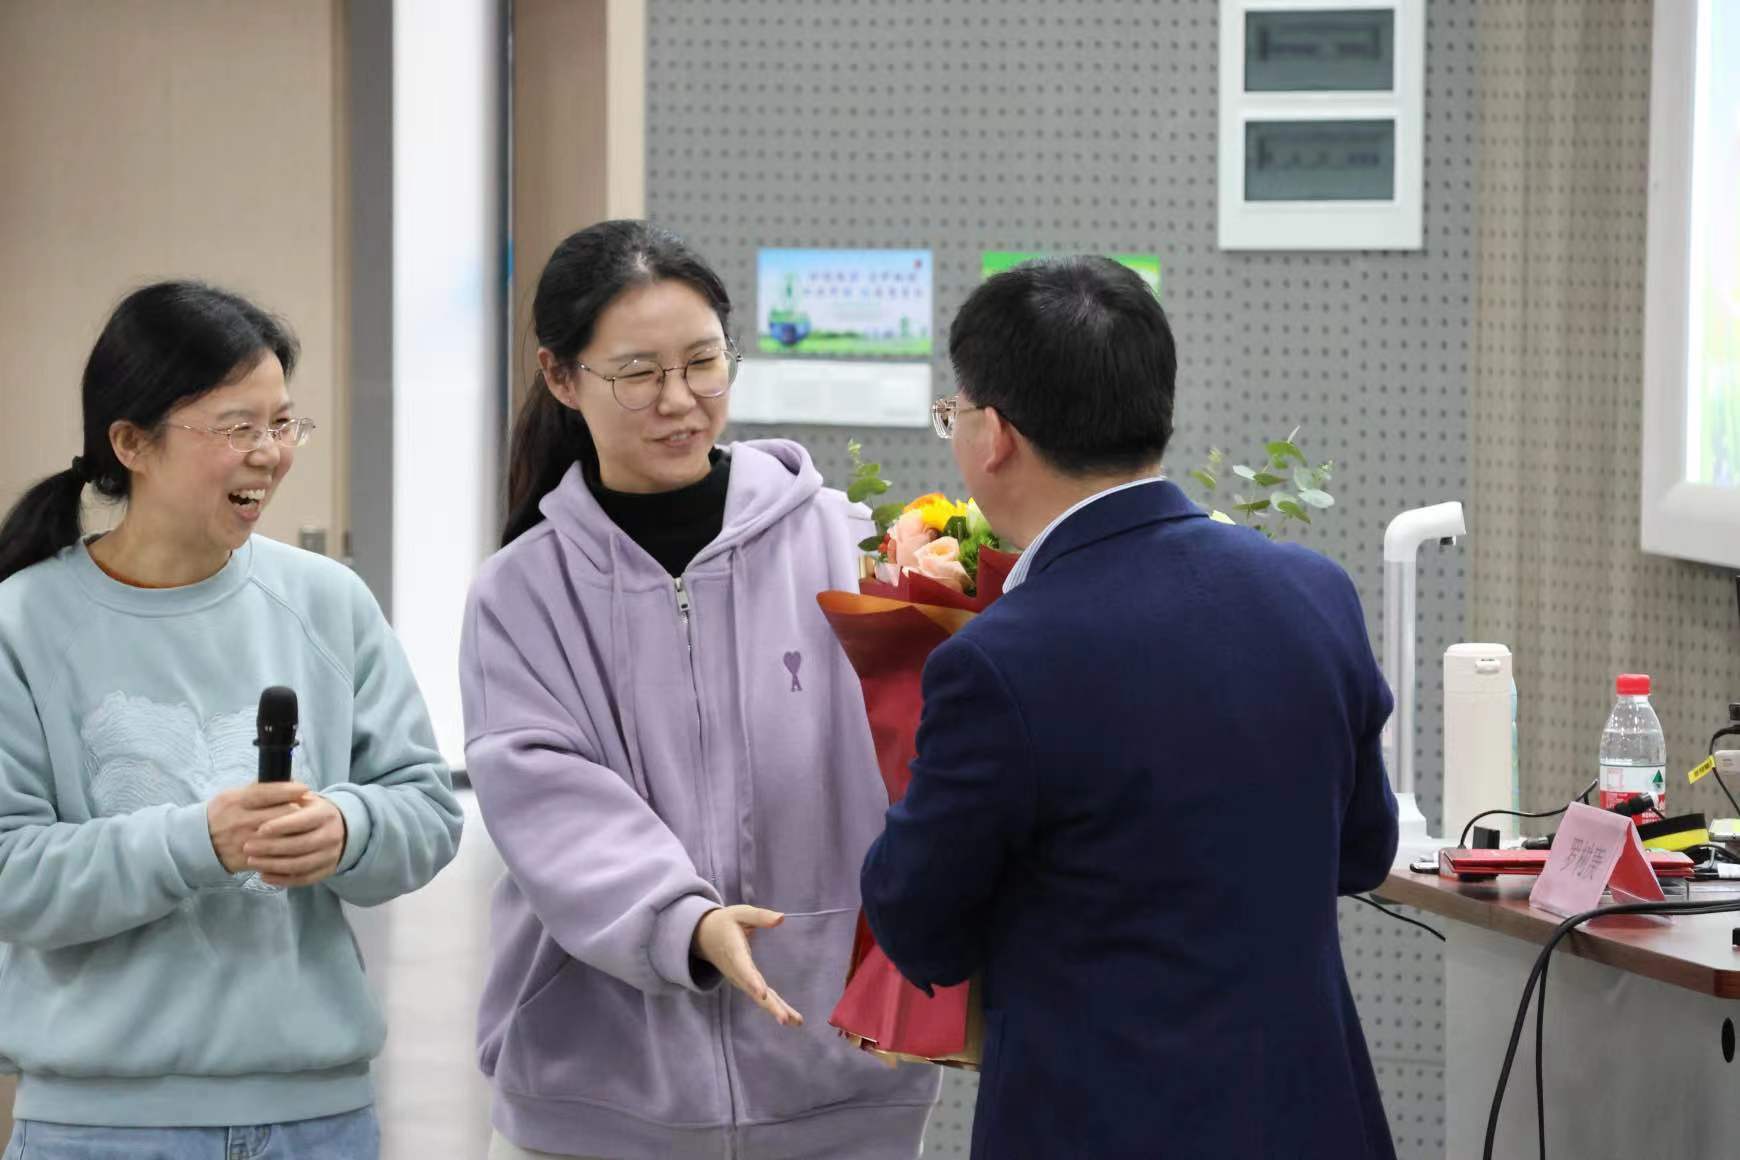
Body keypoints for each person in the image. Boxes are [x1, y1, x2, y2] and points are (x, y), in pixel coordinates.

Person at [859, 257, 1400, 1159]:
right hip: (1309, 1115)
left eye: (954, 413)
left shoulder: (1000, 659)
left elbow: (920, 927)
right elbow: (1363, 851)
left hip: (1100, 1124)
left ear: (995, 435)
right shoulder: (1314, 591)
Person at [459, 220, 940, 1160]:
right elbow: (543, 795)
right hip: (595, 1106)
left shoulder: (847, 549)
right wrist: (684, 922)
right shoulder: (521, 593)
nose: (679, 401)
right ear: (562, 377)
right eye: (638, 374)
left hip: (839, 1086)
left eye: (703, 363)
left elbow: (919, 768)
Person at [0, 281, 464, 1160]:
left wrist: (349, 828)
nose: (270, 454)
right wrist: (200, 843)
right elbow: (10, 874)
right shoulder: (21, 623)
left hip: (319, 1120)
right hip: (100, 1130)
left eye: (283, 424)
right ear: (131, 443)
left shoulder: (328, 602)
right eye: (236, 428)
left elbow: (429, 809)